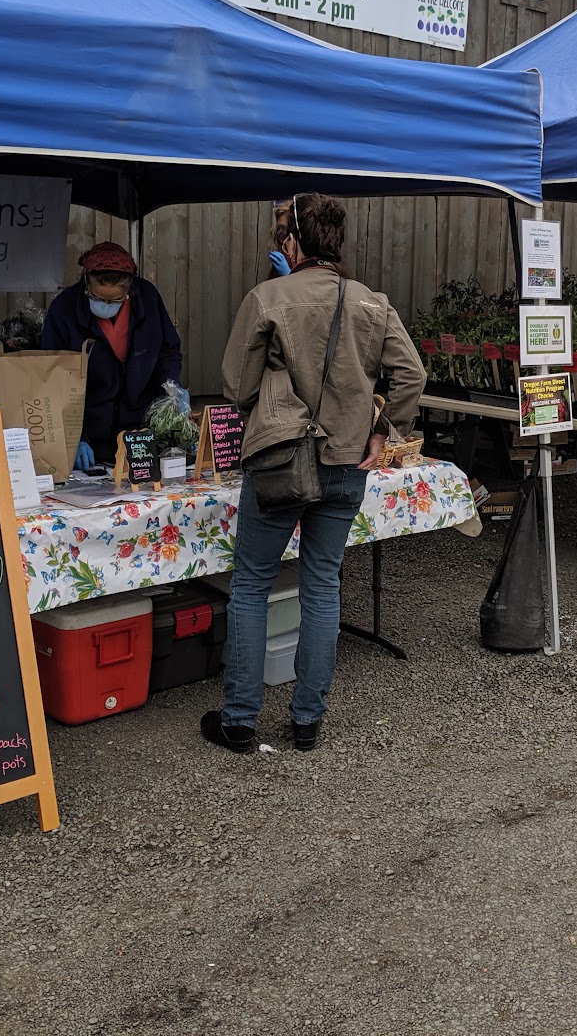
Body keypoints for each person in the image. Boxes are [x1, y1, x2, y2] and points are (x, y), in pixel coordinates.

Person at [203, 194, 425, 755]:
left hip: (281, 457)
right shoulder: (373, 303)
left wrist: (273, 399)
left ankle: (239, 720)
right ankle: (307, 721)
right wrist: (383, 430)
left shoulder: (268, 297)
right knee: (323, 584)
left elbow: (236, 386)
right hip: (349, 461)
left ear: (292, 241)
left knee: (251, 584)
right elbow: (411, 375)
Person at [41, 241, 183, 471]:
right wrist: (74, 436)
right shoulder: (63, 310)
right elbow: (52, 376)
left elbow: (168, 350)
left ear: (129, 290)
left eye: (115, 300)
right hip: (89, 432)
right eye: (97, 298)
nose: (106, 305)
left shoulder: (148, 298)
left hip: (140, 433)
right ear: (86, 283)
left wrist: (171, 388)